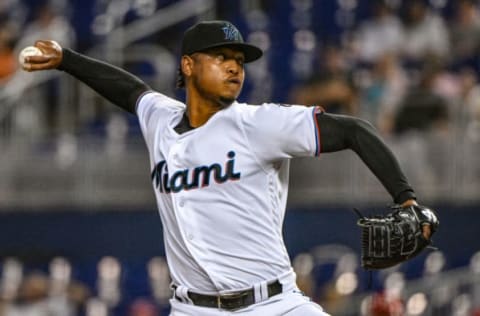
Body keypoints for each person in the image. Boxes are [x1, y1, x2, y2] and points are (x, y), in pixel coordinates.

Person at [21, 20, 435, 315]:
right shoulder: (160, 120)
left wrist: (407, 199)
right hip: (192, 308)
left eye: (239, 58)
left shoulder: (260, 123)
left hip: (274, 304)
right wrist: (65, 59)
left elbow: (356, 132)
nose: (235, 66)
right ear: (187, 66)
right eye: (221, 57)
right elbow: (129, 90)